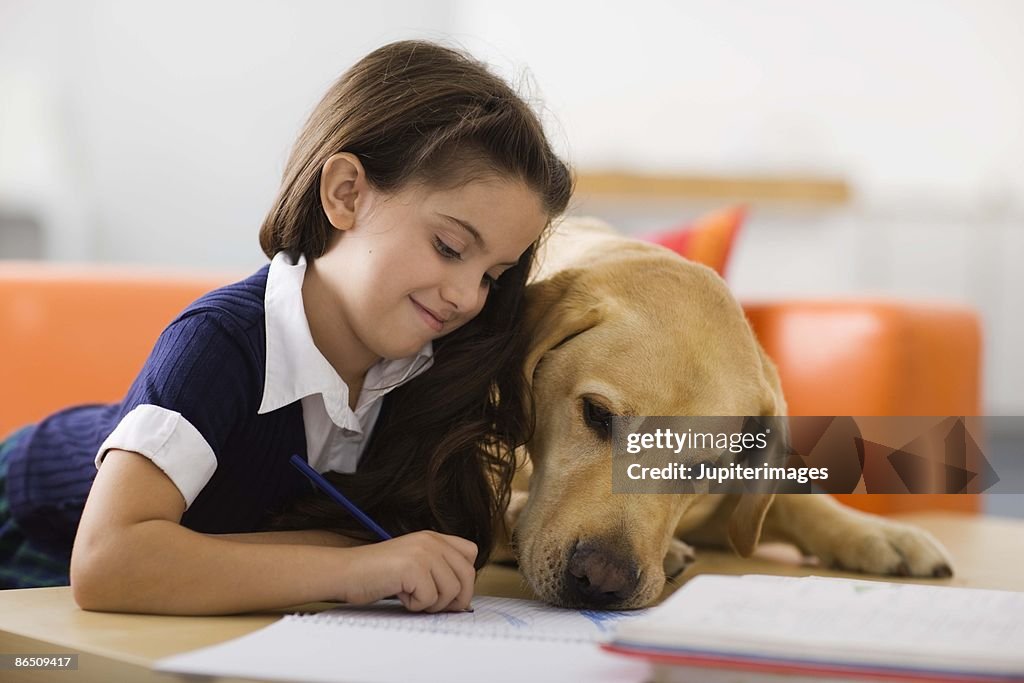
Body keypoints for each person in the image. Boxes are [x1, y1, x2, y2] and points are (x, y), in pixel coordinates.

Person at [0, 40, 573, 615]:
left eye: (493, 277)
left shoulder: (437, 369)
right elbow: (108, 563)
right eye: (449, 247)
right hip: (36, 531)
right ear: (345, 194)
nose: (466, 297)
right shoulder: (221, 342)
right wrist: (358, 567)